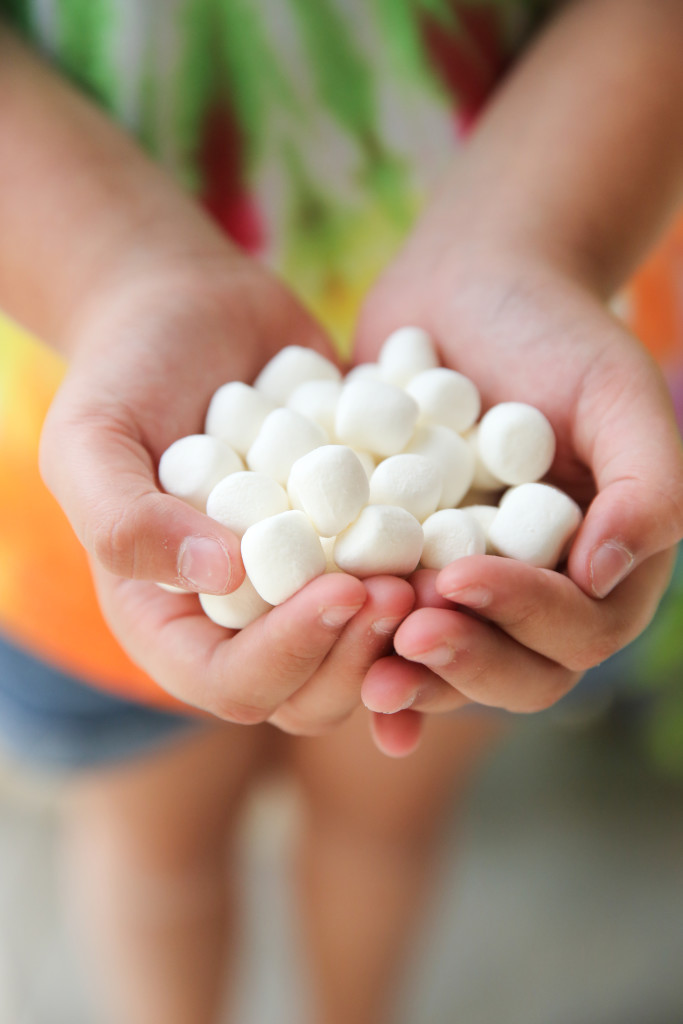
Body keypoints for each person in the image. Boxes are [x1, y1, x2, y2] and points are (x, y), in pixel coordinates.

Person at [0, 1, 682, 1021]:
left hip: (533, 314)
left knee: (383, 823)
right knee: (160, 851)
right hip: (86, 462)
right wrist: (115, 275)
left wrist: (533, 237)